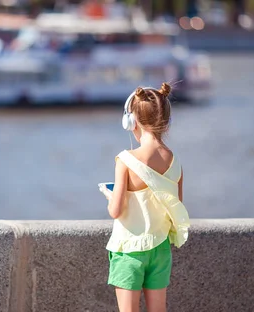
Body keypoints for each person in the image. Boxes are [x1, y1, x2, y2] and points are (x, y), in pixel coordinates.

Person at [99, 83, 190, 312]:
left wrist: (111, 196)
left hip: (129, 249)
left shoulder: (126, 160)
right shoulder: (175, 162)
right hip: (160, 250)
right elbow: (175, 208)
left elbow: (115, 211)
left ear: (132, 122)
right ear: (166, 121)